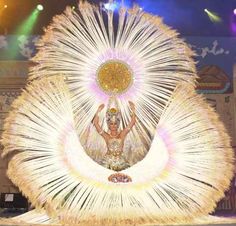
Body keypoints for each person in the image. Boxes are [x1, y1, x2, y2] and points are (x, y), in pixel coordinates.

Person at [93, 101, 136, 171]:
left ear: (118, 124)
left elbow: (133, 121)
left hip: (121, 162)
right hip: (108, 162)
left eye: (115, 123)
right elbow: (96, 123)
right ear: (109, 125)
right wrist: (98, 111)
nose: (113, 126)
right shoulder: (106, 136)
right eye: (111, 124)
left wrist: (133, 109)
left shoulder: (122, 134)